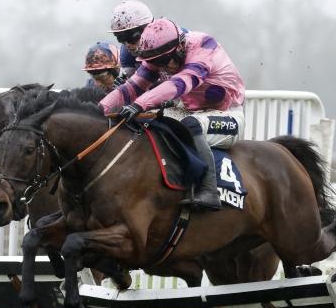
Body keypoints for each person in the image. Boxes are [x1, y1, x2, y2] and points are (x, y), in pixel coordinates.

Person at [99, 18, 245, 210]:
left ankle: (209, 191)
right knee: (145, 123)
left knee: (190, 124)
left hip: (228, 115)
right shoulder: (159, 54)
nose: (162, 67)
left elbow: (179, 84)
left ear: (180, 47)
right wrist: (99, 109)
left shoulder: (202, 45)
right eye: (156, 63)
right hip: (188, 110)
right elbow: (132, 87)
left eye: (164, 61)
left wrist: (139, 104)